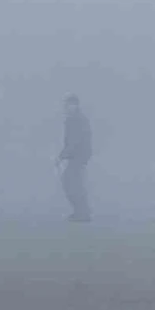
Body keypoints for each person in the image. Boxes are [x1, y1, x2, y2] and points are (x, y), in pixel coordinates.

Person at [57, 94, 92, 222]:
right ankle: (81, 212)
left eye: (72, 104)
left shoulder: (76, 120)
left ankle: (81, 212)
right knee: (74, 183)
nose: (69, 107)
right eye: (68, 105)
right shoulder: (74, 119)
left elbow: (75, 140)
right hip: (77, 156)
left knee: (71, 183)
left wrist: (62, 155)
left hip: (78, 156)